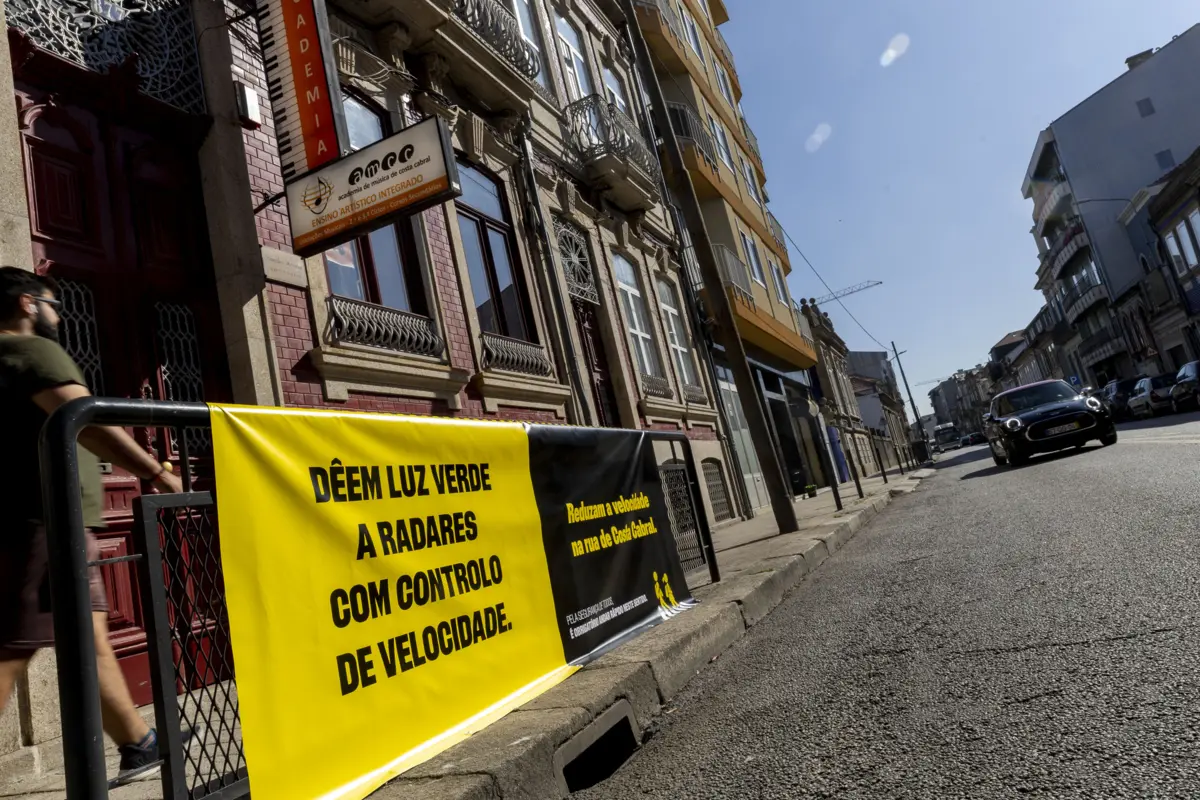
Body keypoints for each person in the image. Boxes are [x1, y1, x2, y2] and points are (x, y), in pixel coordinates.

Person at [0, 267, 186, 784]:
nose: (58, 316)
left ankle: (139, 744)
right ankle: (138, 744)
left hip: (43, 521)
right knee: (11, 647)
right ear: (27, 303)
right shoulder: (31, 350)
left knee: (88, 636)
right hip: (43, 522)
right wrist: (156, 472)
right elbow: (87, 421)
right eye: (52, 304)